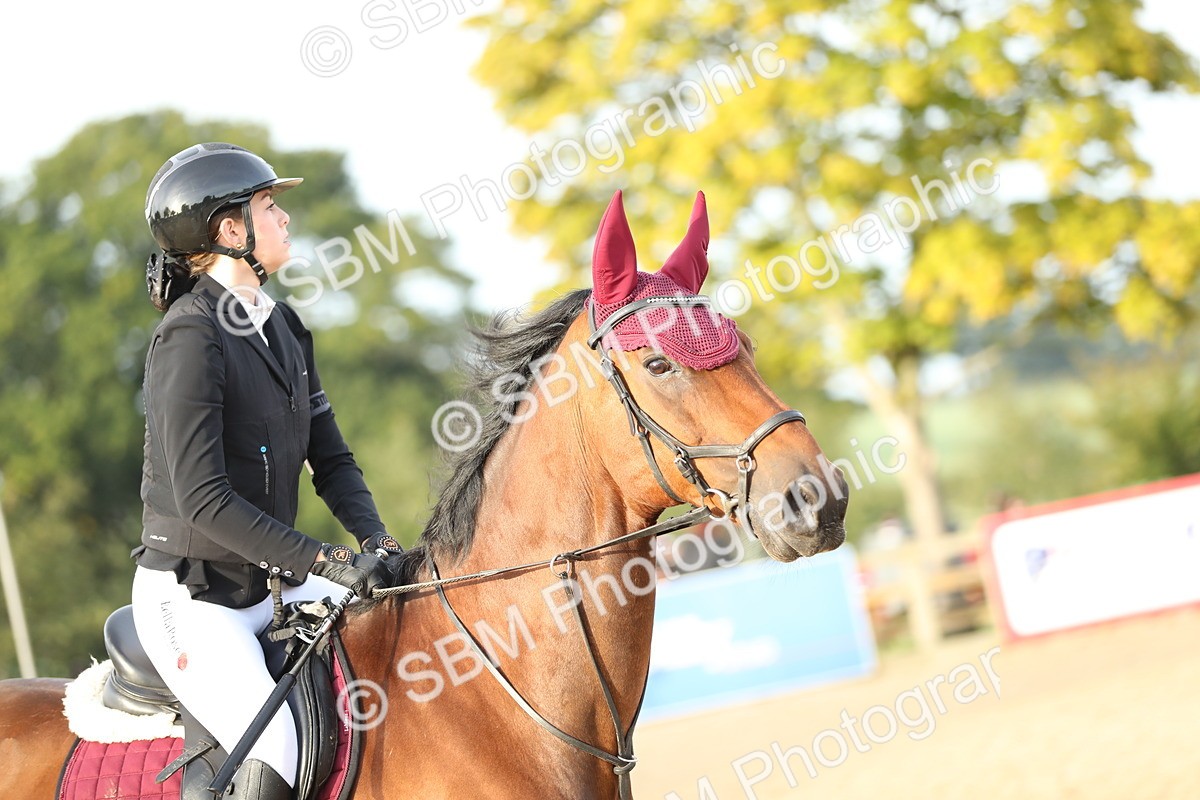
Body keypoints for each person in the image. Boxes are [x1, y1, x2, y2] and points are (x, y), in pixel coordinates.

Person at [132, 142, 400, 799]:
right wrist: (326, 560)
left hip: (271, 584)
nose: (285, 220)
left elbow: (331, 460)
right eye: (269, 207)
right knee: (275, 741)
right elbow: (203, 500)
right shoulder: (190, 339)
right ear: (230, 230)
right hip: (193, 598)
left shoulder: (284, 328)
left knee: (403, 628)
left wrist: (378, 543)